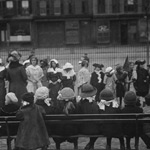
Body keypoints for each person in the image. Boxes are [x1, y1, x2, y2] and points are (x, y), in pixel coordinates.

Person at [77, 83, 100, 150]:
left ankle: (90, 144)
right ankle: (91, 143)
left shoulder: (79, 104)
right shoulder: (95, 104)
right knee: (98, 128)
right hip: (95, 130)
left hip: (82, 129)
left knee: (92, 126)